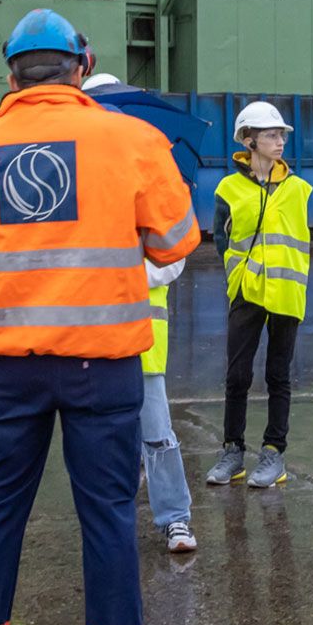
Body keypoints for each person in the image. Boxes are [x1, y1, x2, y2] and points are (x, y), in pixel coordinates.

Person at [0, 9, 200, 625]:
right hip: (101, 366)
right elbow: (176, 239)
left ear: (10, 73)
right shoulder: (134, 141)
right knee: (107, 517)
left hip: (6, 368)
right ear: (83, 66)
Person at [83, 73, 194, 553]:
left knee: (157, 433)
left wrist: (123, 269)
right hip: (93, 338)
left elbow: (174, 259)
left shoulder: (153, 180)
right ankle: (113, 522)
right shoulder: (82, 188)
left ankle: (175, 518)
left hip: (143, 338)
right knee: (105, 439)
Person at [205, 101, 311, 490]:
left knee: (278, 375)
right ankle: (232, 452)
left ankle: (273, 452)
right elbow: (221, 239)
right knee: (237, 375)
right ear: (249, 141)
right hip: (247, 292)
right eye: (271, 135)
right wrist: (238, 276)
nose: (280, 141)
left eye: (281, 135)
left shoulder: (298, 189)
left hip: (286, 292)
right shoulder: (228, 189)